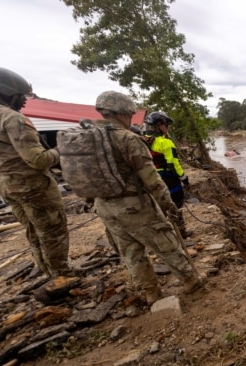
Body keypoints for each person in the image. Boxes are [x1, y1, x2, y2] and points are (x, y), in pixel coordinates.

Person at [88, 91, 202, 304]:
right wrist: (168, 205)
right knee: (166, 243)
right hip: (134, 204)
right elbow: (152, 179)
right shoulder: (128, 139)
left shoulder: (85, 137)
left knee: (131, 253)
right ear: (123, 113)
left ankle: (151, 293)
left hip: (103, 206)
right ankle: (190, 280)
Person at [0, 67, 71, 277]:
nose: (24, 102)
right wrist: (60, 149)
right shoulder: (10, 117)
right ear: (6, 92)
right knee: (52, 230)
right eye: (20, 97)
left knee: (33, 231)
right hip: (31, 184)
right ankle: (61, 276)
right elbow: (37, 160)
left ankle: (47, 272)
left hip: (4, 183)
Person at [143, 111, 192, 238]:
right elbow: (173, 163)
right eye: (166, 125)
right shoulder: (165, 142)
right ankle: (181, 233)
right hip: (169, 178)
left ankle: (163, 235)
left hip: (151, 178)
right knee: (176, 204)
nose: (167, 127)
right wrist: (184, 178)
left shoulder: (144, 140)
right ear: (159, 125)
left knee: (159, 206)